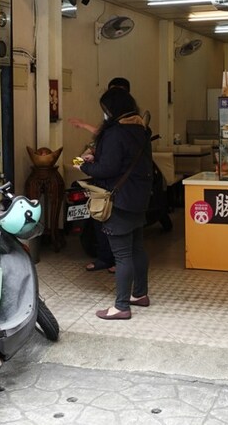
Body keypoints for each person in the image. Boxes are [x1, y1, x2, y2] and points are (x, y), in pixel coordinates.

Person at [79, 87, 153, 320]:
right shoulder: (141, 129)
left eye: (105, 110)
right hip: (139, 197)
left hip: (119, 200)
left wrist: (84, 165)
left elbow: (107, 169)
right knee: (137, 249)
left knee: (122, 255)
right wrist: (98, 158)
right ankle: (139, 294)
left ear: (112, 109)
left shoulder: (115, 133)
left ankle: (121, 306)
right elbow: (125, 161)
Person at [69, 77, 131, 273]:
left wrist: (85, 166)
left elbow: (110, 164)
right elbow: (102, 139)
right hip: (102, 182)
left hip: (118, 185)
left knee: (117, 225)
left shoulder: (129, 124)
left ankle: (118, 261)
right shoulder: (110, 123)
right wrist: (89, 155)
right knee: (99, 218)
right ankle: (104, 258)